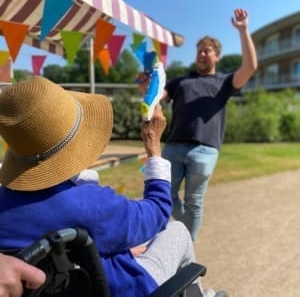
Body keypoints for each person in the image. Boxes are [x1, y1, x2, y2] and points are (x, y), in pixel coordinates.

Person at [0, 76, 227, 297]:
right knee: (178, 231)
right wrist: (154, 149)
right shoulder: (90, 204)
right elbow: (157, 212)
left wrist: (116, 250)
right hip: (127, 290)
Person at [140, 8, 257, 241]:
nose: (202, 54)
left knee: (194, 201)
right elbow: (156, 97)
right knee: (165, 194)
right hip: (173, 147)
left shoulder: (224, 81)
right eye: (199, 50)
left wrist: (243, 30)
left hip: (205, 150)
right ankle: (182, 238)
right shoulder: (181, 81)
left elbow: (250, 67)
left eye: (208, 50)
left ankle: (186, 247)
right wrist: (147, 85)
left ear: (217, 57)